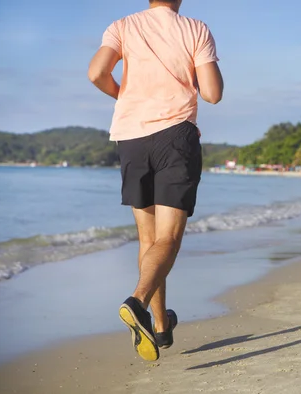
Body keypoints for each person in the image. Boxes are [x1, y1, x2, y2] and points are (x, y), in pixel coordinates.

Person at [87, 0, 224, 361]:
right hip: (175, 137)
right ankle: (138, 303)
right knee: (168, 240)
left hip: (131, 138)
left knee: (148, 239)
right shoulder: (195, 29)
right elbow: (212, 94)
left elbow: (96, 72)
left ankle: (161, 327)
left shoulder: (122, 25)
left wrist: (126, 96)